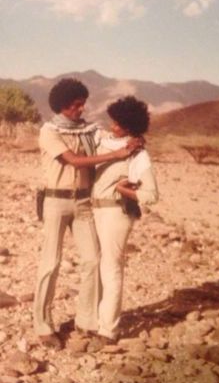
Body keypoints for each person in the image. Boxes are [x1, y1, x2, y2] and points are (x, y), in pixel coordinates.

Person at [33, 79, 142, 350]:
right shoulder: (49, 131)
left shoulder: (88, 130)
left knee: (93, 261)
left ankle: (86, 319)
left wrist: (135, 138)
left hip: (83, 202)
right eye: (75, 105)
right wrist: (117, 154)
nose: (81, 109)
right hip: (55, 202)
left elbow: (112, 139)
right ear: (62, 106)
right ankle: (43, 324)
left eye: (82, 104)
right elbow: (73, 160)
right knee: (51, 263)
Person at [91, 96, 159, 343]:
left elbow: (151, 195)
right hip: (94, 211)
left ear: (130, 126)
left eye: (118, 123)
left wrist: (124, 191)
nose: (112, 126)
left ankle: (108, 330)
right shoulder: (104, 140)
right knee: (94, 266)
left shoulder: (138, 155)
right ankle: (94, 321)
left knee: (111, 268)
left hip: (115, 214)